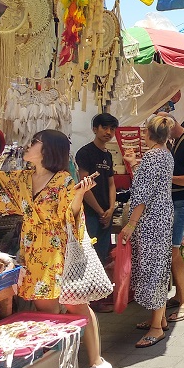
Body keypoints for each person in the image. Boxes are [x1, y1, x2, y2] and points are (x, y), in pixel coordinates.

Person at [0, 130, 110, 368]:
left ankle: (97, 364)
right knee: (48, 314)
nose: (28, 146)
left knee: (77, 306)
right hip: (34, 251)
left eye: (34, 142)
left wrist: (79, 194)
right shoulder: (22, 178)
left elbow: (72, 215)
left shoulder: (64, 180)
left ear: (47, 149)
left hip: (61, 252)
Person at [120, 116, 176, 347]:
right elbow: (148, 186)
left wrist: (131, 224)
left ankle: (156, 326)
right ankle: (159, 319)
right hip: (161, 216)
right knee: (158, 266)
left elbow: (142, 197)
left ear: (148, 135)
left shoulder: (153, 157)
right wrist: (134, 164)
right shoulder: (165, 154)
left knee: (153, 269)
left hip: (151, 219)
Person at [159, 112, 184, 322]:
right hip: (176, 201)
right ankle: (179, 295)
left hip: (182, 201)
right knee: (172, 250)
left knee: (174, 251)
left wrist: (165, 178)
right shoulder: (176, 142)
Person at [75, 113, 118, 270]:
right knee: (88, 253)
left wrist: (111, 209)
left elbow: (111, 184)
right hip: (91, 213)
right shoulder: (85, 153)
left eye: (112, 129)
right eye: (104, 127)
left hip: (106, 213)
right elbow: (83, 186)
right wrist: (100, 212)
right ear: (95, 129)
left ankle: (100, 291)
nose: (108, 132)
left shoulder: (108, 155)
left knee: (102, 254)